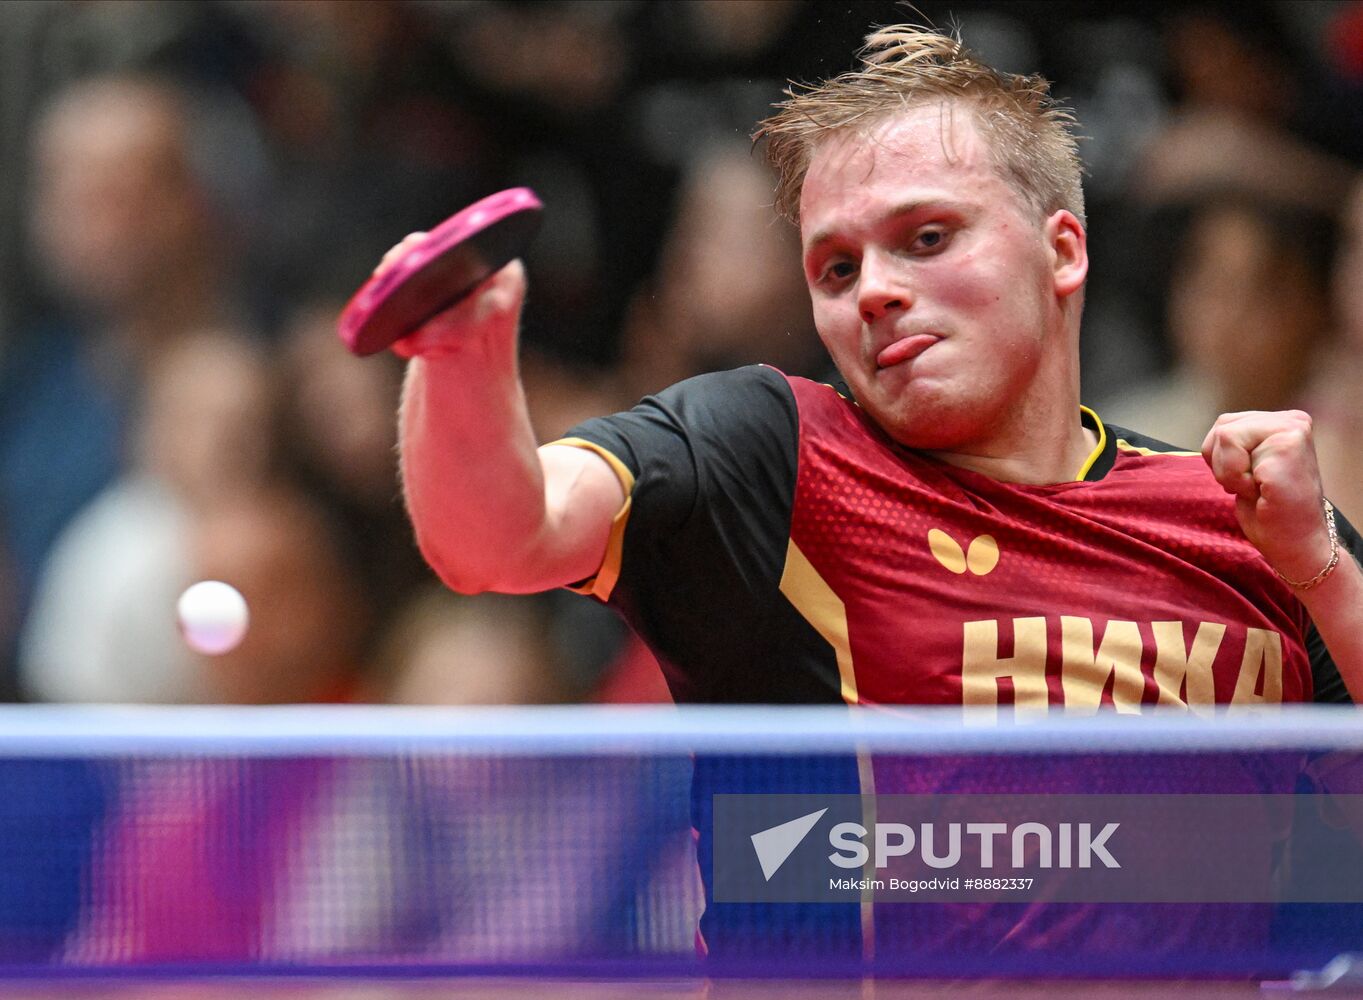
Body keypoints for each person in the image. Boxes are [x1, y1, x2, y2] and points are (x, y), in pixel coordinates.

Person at [391, 23, 1363, 960]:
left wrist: (1321, 572)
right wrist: (457, 359)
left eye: (928, 236)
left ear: (1061, 250)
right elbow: (496, 537)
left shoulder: (1248, 523)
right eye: (836, 265)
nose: (874, 291)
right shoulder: (763, 460)